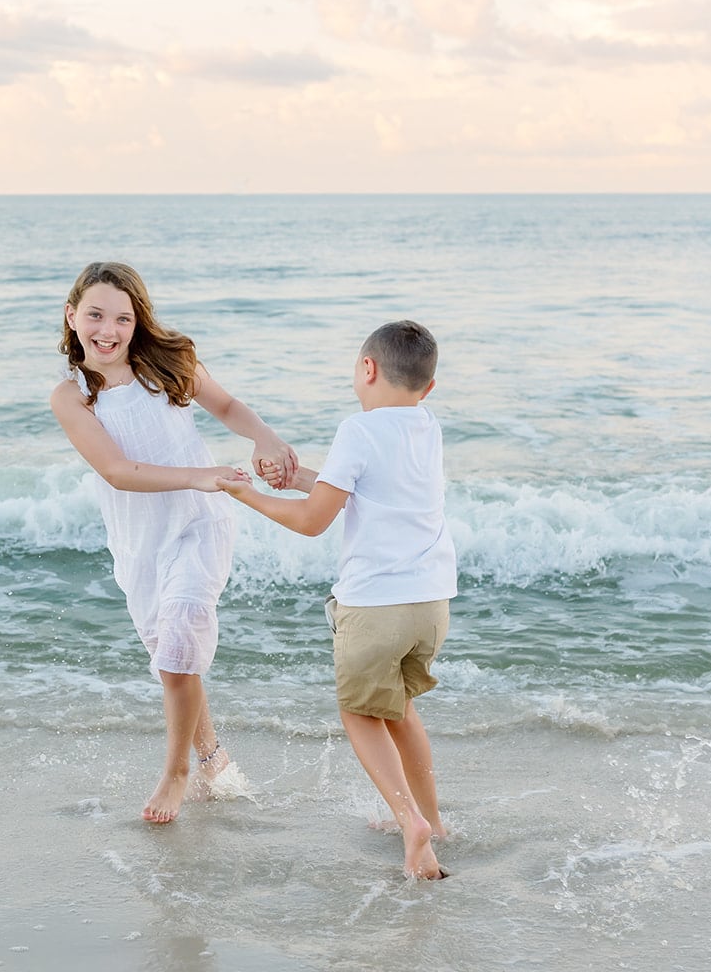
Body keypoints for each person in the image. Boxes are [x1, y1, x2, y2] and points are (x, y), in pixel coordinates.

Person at [50, 261, 297, 824]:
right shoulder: (72, 397)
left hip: (200, 520)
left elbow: (228, 407)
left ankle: (176, 773)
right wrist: (199, 473)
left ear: (138, 323)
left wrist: (268, 438)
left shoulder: (167, 367)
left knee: (181, 639)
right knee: (174, 661)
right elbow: (116, 470)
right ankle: (212, 756)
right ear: (72, 315)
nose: (107, 330)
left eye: (122, 318)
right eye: (95, 315)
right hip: (141, 540)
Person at [218, 320, 456, 880]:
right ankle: (434, 819)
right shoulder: (428, 426)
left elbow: (311, 522)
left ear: (366, 370)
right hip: (431, 603)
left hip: (375, 605)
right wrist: (298, 475)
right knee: (399, 708)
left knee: (360, 712)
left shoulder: (358, 429)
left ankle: (409, 822)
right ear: (429, 387)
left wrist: (244, 493)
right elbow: (367, 492)